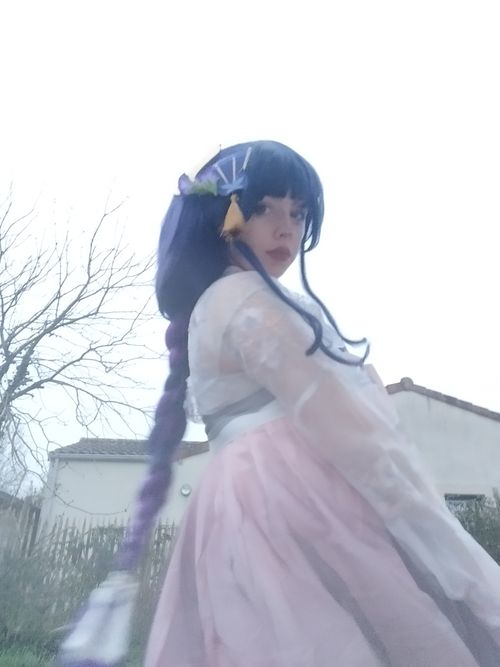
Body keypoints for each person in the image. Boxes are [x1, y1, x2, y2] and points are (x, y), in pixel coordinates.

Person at [60, 141, 500, 667]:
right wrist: (435, 535)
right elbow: (353, 431)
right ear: (227, 217)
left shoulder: (214, 304)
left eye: (298, 213)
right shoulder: (247, 299)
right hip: (290, 498)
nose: (286, 228)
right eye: (265, 208)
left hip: (242, 503)